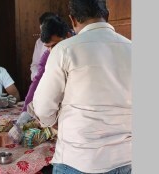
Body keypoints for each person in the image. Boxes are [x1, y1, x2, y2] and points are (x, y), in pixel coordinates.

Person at [28, 0, 132, 173]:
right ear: (107, 16)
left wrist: (53, 122)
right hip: (127, 159)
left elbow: (43, 107)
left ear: (73, 20)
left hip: (79, 159)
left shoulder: (64, 50)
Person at [8, 15, 73, 142]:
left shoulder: (80, 49)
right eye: (47, 46)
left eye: (54, 45)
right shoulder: (49, 53)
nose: (50, 50)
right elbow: (37, 80)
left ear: (68, 36)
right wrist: (24, 114)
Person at [30, 12, 56, 81]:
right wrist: (37, 76)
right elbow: (35, 64)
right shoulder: (39, 42)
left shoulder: (65, 40)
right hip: (41, 80)